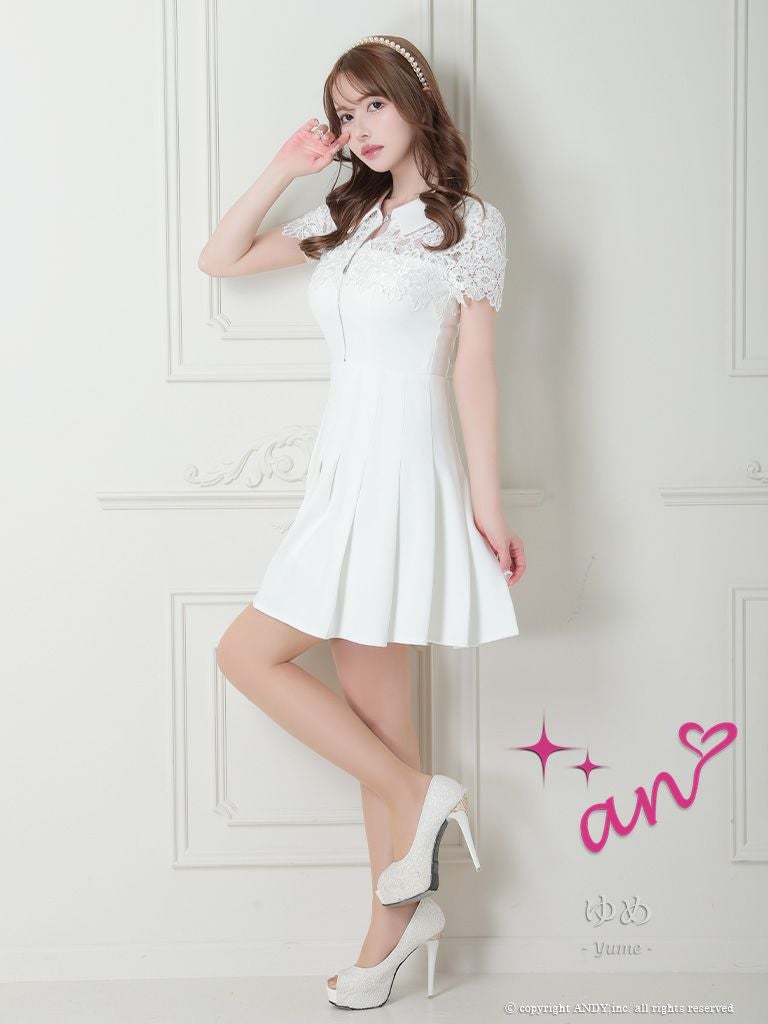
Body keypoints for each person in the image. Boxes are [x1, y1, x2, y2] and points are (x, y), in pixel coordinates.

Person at [198, 34, 527, 1010]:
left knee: (294, 679)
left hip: (404, 470)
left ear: (415, 103)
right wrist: (285, 167)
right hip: (340, 475)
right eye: (345, 114)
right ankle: (410, 863)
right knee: (344, 714)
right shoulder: (344, 217)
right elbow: (220, 258)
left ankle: (391, 912)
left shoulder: (467, 223)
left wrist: (488, 506)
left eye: (372, 105)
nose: (359, 128)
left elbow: (475, 370)